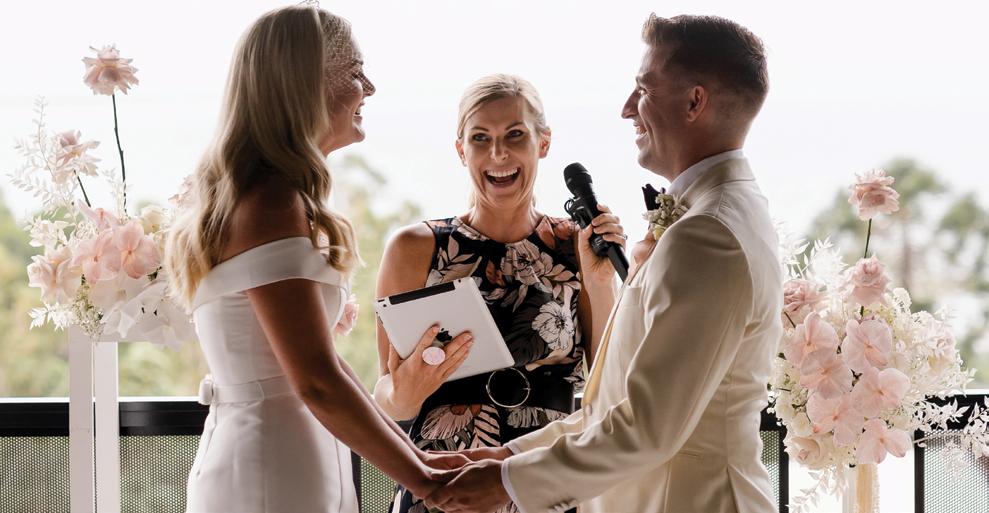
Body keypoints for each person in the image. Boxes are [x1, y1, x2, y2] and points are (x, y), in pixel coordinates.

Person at [426, 14, 782, 513]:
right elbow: (610, 404)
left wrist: (505, 482)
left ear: (694, 102)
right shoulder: (719, 213)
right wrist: (505, 456)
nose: (627, 108)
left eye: (643, 89)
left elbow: (646, 429)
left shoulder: (708, 234)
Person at [165, 6, 459, 512]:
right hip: (268, 468)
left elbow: (328, 366)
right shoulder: (271, 203)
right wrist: (427, 484)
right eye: (355, 72)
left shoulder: (268, 197)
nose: (370, 88)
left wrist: (422, 462)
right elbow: (316, 381)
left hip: (289, 458)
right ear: (305, 84)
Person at [373, 74, 625, 513]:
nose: (498, 154)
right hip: (445, 481)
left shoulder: (579, 244)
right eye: (480, 138)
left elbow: (611, 382)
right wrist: (405, 393)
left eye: (514, 135)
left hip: (544, 479)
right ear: (461, 150)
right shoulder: (413, 248)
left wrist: (601, 281)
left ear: (543, 143)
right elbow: (388, 398)